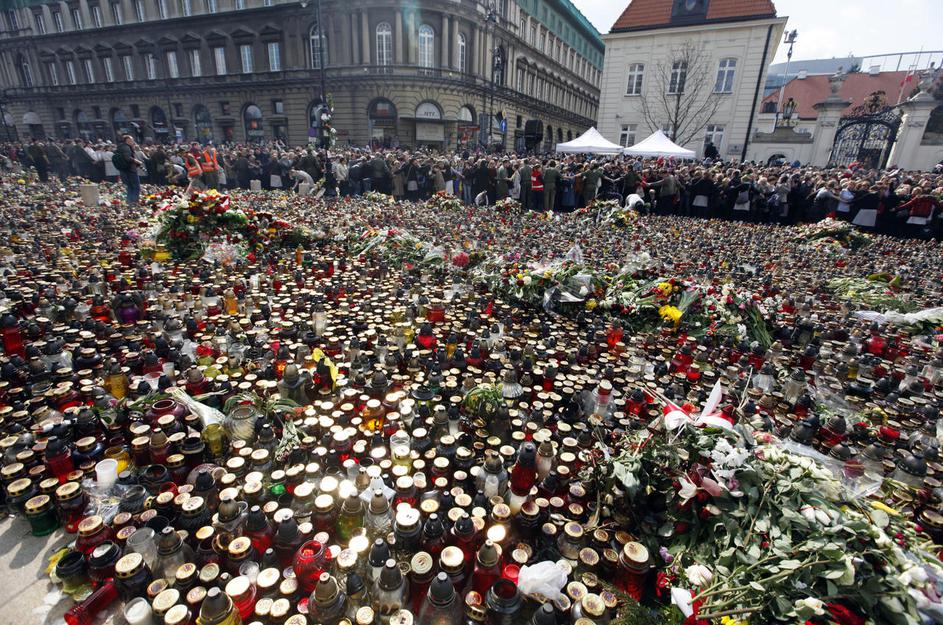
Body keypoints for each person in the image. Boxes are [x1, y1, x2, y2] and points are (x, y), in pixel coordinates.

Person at [113, 134, 143, 206]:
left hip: (124, 169)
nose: (133, 142)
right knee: (136, 186)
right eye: (132, 140)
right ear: (128, 140)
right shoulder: (126, 148)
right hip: (130, 169)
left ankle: (129, 201)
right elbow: (127, 158)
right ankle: (134, 201)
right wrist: (137, 161)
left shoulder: (120, 147)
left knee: (130, 186)